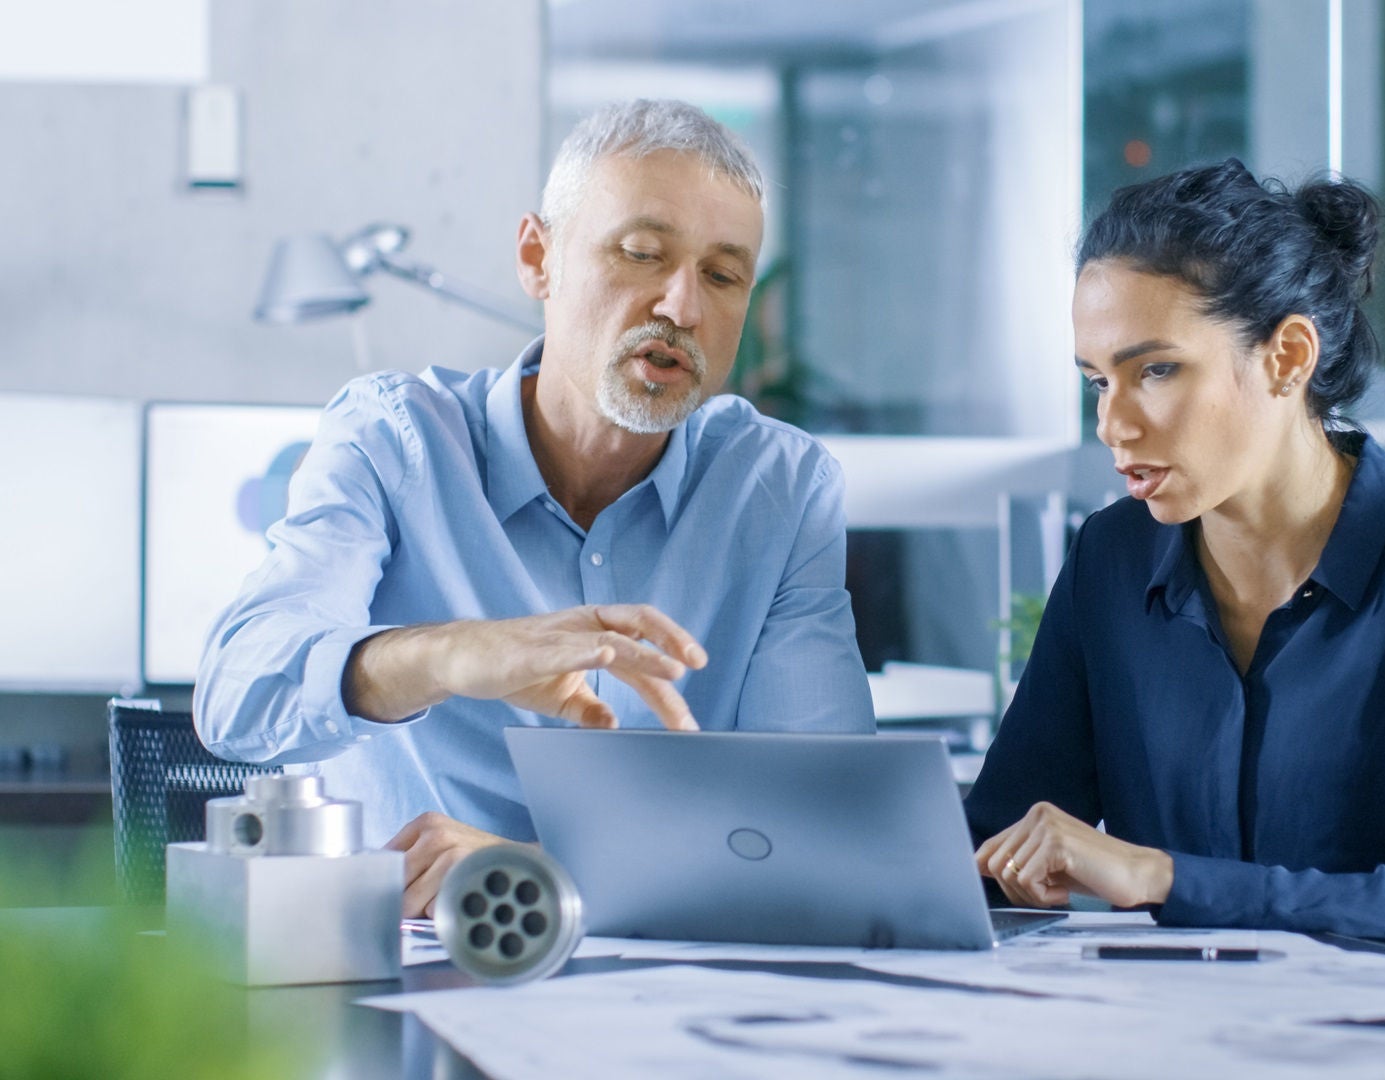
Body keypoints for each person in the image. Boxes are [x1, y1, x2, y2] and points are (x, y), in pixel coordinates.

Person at [196, 100, 876, 917]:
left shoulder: (779, 489)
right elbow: (237, 696)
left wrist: (540, 868)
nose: (682, 308)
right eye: (640, 253)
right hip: (401, 975)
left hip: (667, 993)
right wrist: (449, 655)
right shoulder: (394, 437)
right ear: (537, 257)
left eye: (722, 276)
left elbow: (823, 825)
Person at [964, 159, 1385, 968]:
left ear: (1287, 356)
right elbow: (998, 839)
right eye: (1098, 382)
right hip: (1210, 1031)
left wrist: (1161, 877)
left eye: (1156, 371)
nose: (1114, 424)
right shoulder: (1112, 561)